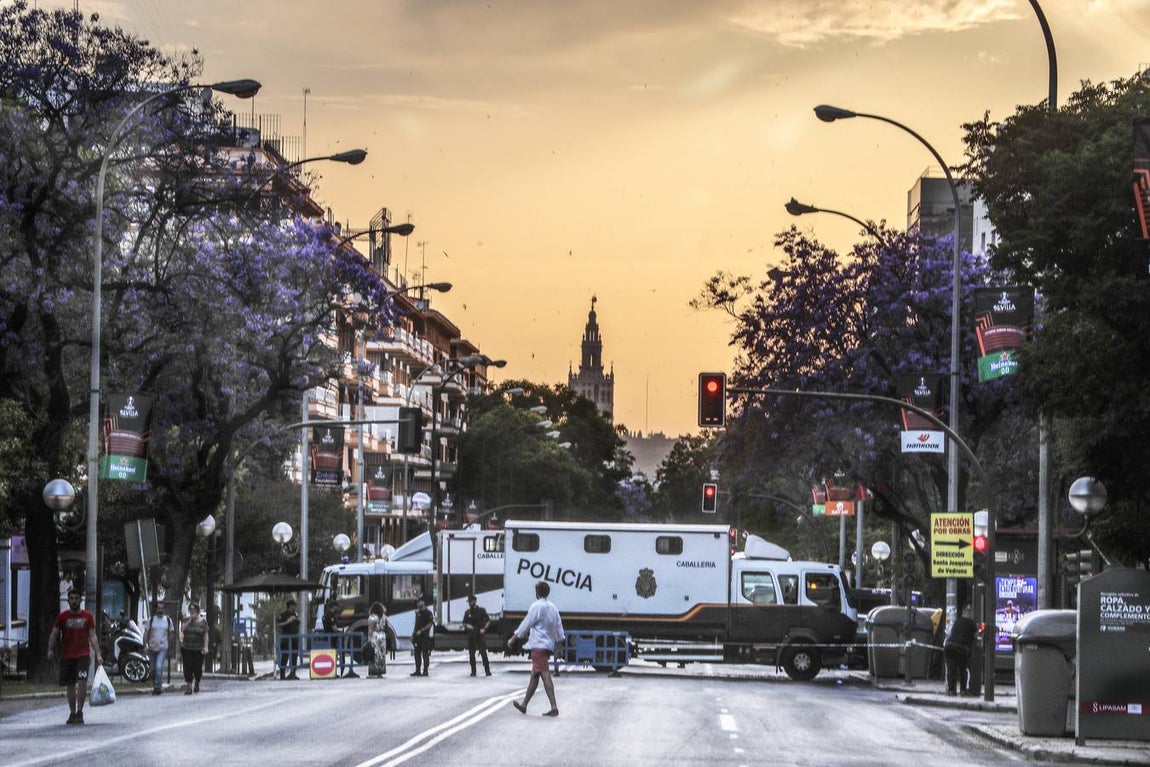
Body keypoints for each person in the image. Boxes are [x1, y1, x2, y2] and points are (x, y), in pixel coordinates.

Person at [508, 580, 564, 717]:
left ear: (537, 593)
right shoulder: (553, 608)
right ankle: (524, 705)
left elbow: (526, 623)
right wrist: (560, 645)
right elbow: (559, 627)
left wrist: (514, 638)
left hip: (538, 646)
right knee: (534, 675)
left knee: (545, 674)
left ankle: (554, 707)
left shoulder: (536, 606)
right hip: (548, 646)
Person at [47, 587, 102, 725]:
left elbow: (93, 636)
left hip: (83, 655)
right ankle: (72, 712)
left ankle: (80, 712)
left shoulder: (87, 616)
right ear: (68, 600)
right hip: (67, 655)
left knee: (82, 682)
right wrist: (50, 649)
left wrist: (98, 654)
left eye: (76, 598)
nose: (74, 601)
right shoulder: (62, 617)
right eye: (71, 598)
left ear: (80, 600)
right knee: (70, 684)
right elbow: (54, 633)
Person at [944, 605, 978, 696]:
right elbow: (976, 636)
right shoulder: (972, 623)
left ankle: (951, 690)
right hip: (961, 648)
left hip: (949, 646)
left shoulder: (957, 621)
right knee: (963, 670)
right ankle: (963, 690)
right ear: (970, 614)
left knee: (951, 669)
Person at [143, 601, 173, 695]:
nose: (160, 610)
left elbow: (171, 634)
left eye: (162, 608)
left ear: (164, 609)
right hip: (152, 648)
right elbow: (146, 633)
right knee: (153, 669)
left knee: (159, 666)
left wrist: (169, 646)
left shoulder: (168, 620)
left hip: (163, 648)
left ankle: (157, 687)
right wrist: (145, 644)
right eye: (158, 608)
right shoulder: (151, 620)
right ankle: (156, 682)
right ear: (156, 609)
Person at [180, 602, 210, 694]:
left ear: (198, 612)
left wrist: (206, 646)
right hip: (187, 648)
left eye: (194, 611)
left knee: (197, 668)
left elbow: (205, 635)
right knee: (187, 668)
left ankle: (197, 681)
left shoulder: (203, 622)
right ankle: (189, 687)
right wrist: (190, 620)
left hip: (198, 649)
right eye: (191, 611)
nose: (192, 613)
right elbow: (182, 629)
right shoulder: (186, 620)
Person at [462, 594, 492, 677]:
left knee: (483, 653)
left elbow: (488, 621)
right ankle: (473, 671)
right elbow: (464, 623)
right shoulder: (467, 612)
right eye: (468, 602)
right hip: (471, 634)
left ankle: (487, 670)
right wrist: (468, 626)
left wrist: (484, 629)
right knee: (471, 654)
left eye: (470, 601)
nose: (469, 603)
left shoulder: (481, 611)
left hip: (479, 633)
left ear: (474, 601)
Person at [276, 599, 301, 680]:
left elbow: (298, 623)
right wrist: (287, 621)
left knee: (294, 655)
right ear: (290, 606)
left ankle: (293, 673)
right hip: (286, 638)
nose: (295, 607)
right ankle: (282, 675)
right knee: (285, 656)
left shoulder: (295, 614)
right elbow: (278, 624)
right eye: (293, 605)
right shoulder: (283, 615)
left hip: (294, 638)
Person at [411, 598, 434, 677]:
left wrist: (422, 630)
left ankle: (425, 671)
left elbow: (430, 624)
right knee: (417, 654)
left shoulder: (428, 613)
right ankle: (417, 670)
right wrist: (413, 634)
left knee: (425, 653)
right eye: (417, 602)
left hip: (424, 636)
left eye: (419, 602)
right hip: (417, 637)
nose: (418, 603)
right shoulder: (417, 613)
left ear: (423, 602)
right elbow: (416, 624)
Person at [366, 602, 388, 677]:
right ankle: (380, 672)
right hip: (382, 636)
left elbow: (371, 629)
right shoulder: (384, 617)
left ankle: (373, 672)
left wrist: (368, 638)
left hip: (375, 636)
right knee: (381, 654)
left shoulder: (372, 617)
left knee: (374, 654)